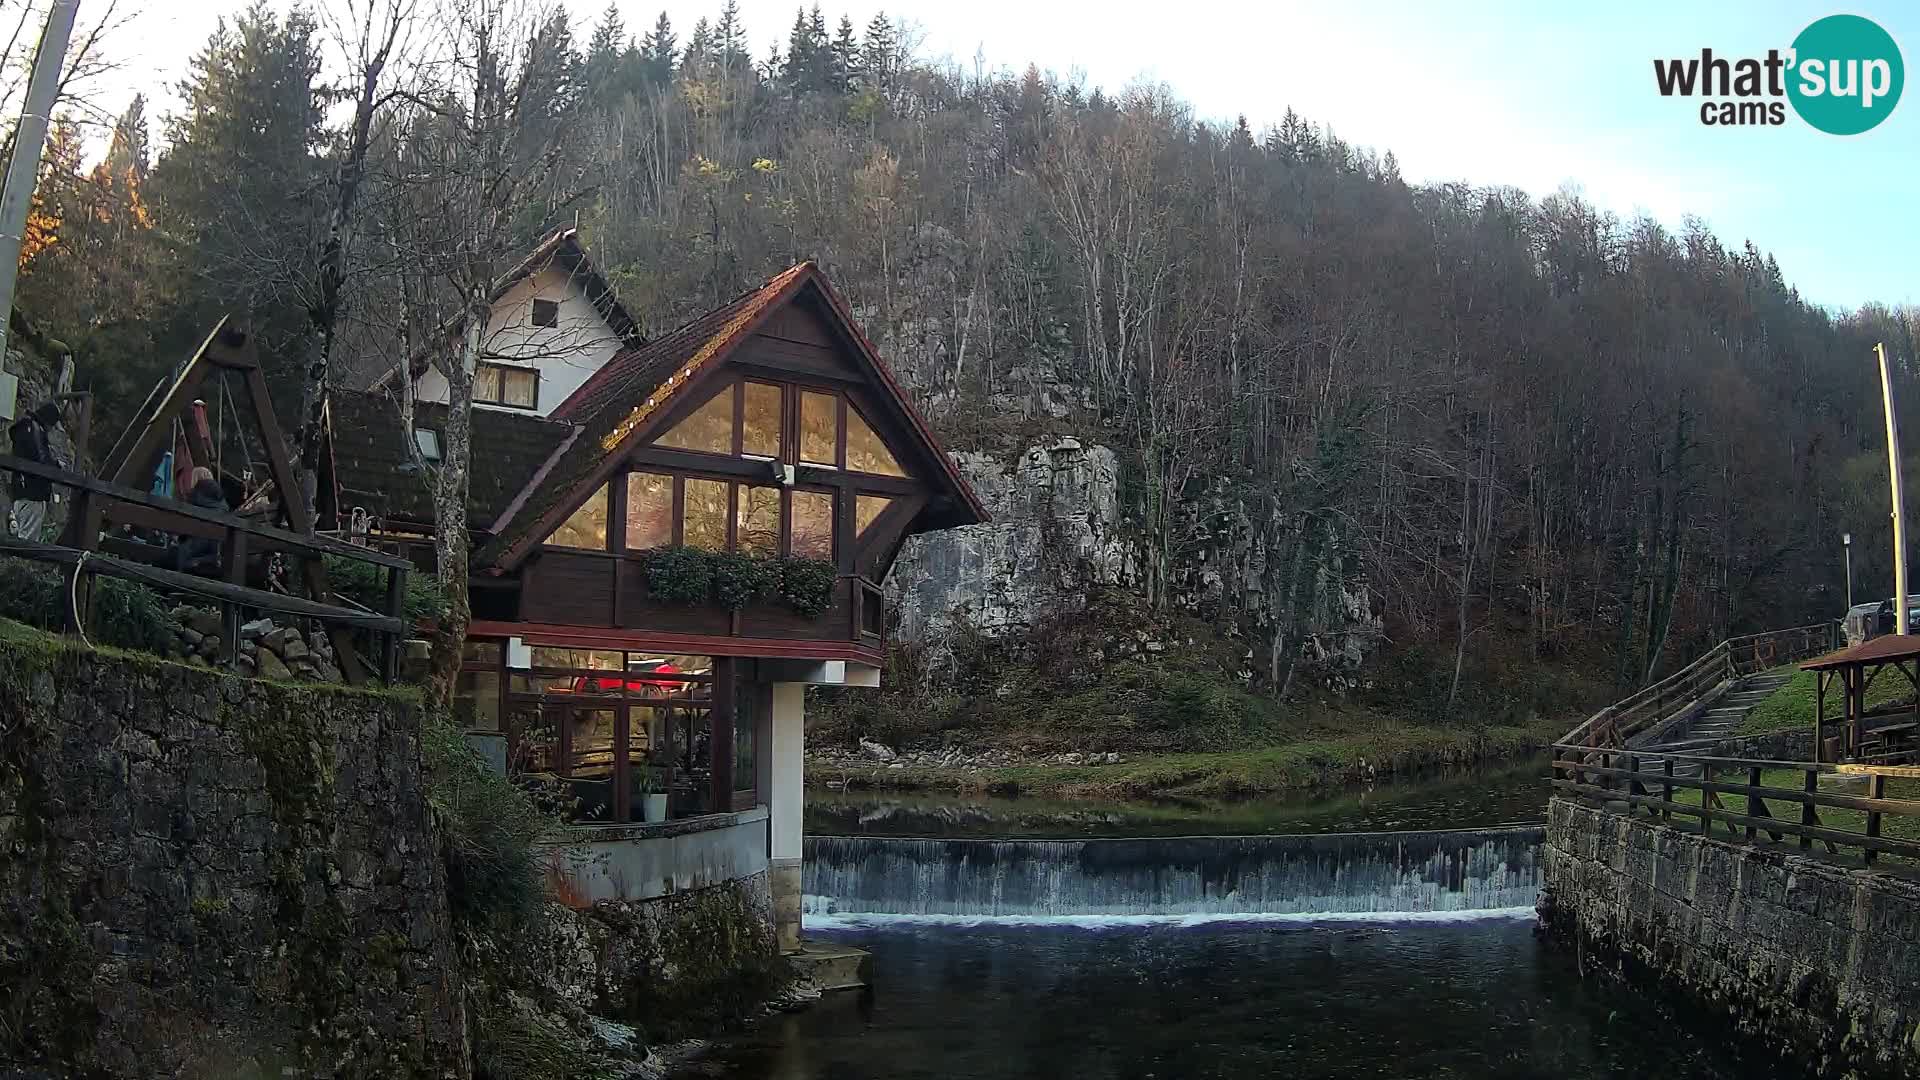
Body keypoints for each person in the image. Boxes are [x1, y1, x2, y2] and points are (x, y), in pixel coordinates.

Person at [8, 402, 61, 540]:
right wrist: (55, 465)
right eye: (52, 425)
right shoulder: (35, 430)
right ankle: (20, 560)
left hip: (21, 489)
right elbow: (40, 459)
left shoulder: (26, 428)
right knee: (27, 540)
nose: (51, 429)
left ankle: (14, 559)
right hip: (33, 492)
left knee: (19, 536)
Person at [176, 466, 229, 573]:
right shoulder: (222, 505)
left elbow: (183, 532)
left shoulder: (196, 500)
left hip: (195, 556)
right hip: (213, 557)